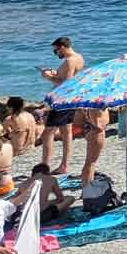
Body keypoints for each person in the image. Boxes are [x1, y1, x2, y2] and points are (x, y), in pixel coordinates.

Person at [38, 36, 85, 173]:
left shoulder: (70, 61)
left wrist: (48, 77)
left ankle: (44, 166)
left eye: (56, 51)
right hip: (72, 99)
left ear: (62, 47)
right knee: (66, 131)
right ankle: (64, 165)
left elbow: (66, 84)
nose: (56, 54)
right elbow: (69, 78)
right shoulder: (79, 57)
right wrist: (56, 74)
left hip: (62, 100)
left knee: (47, 134)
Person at [0, 99, 38, 167]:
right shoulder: (30, 115)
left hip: (18, 151)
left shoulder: (10, 119)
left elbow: (0, 134)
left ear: (11, 107)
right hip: (31, 147)